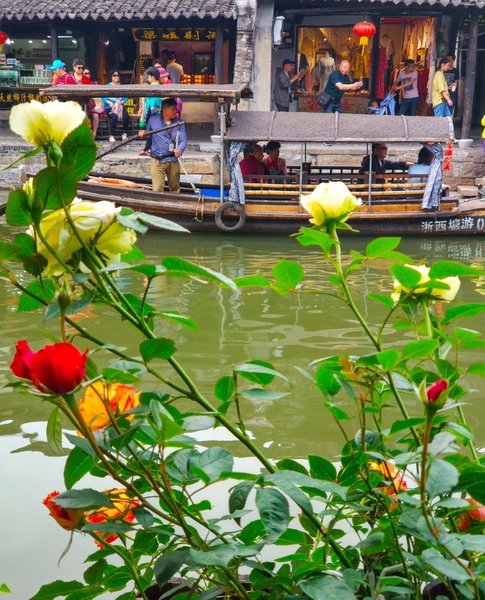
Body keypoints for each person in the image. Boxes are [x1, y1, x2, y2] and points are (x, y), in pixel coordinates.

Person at [140, 97, 187, 193]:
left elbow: (183, 139)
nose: (176, 111)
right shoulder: (153, 120)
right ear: (165, 110)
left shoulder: (179, 122)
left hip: (173, 159)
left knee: (175, 189)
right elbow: (148, 135)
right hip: (157, 160)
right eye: (173, 109)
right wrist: (143, 134)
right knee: (157, 189)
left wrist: (180, 150)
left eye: (176, 109)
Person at [102, 69, 130, 143]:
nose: (116, 77)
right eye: (114, 75)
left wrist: (122, 102)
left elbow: (126, 97)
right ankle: (111, 135)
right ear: (111, 77)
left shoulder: (121, 86)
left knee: (126, 116)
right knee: (114, 117)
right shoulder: (107, 86)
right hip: (110, 107)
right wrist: (109, 102)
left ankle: (124, 134)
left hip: (120, 106)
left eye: (117, 75)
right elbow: (103, 97)